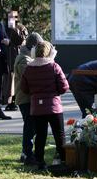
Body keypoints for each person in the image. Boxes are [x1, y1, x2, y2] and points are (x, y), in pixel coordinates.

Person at [21, 41, 69, 170]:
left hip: (37, 107)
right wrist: (55, 93)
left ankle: (40, 162)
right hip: (54, 106)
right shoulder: (54, 66)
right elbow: (64, 87)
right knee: (59, 135)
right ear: (50, 52)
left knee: (40, 136)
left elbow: (24, 88)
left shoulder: (28, 68)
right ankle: (64, 159)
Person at [14, 32, 43, 164]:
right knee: (30, 126)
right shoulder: (24, 59)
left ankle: (26, 152)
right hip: (25, 99)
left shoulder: (28, 57)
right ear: (33, 46)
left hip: (29, 98)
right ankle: (27, 153)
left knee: (33, 126)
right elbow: (30, 78)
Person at [3, 10, 28, 111]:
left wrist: (10, 42)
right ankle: (8, 102)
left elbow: (22, 41)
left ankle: (15, 101)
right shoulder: (4, 28)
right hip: (6, 57)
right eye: (9, 17)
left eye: (13, 17)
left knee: (16, 80)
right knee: (7, 81)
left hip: (17, 57)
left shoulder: (21, 28)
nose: (11, 19)